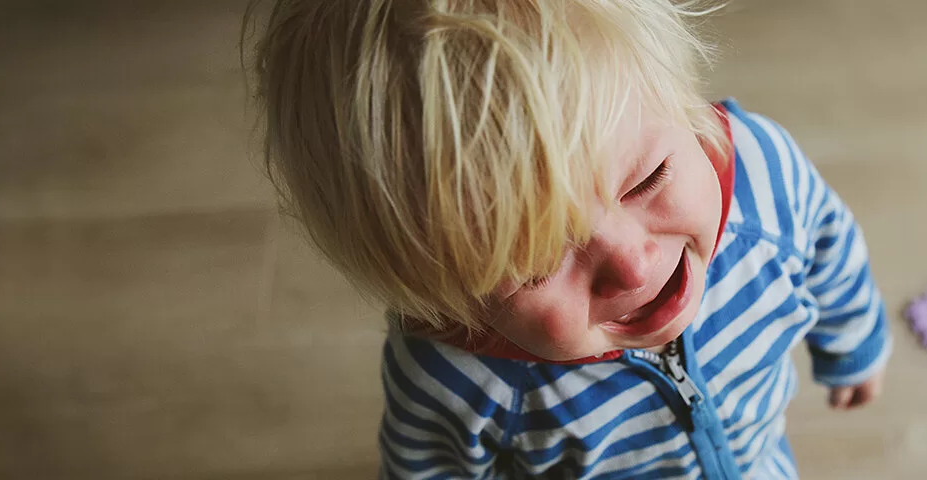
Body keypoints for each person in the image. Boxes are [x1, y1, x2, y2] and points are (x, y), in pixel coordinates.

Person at [249, 1, 889, 478]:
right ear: (445, 299)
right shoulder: (455, 379)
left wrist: (854, 342)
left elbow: (830, 243)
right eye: (533, 267)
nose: (633, 265)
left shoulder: (762, 178)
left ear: (679, 98)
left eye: (646, 180)